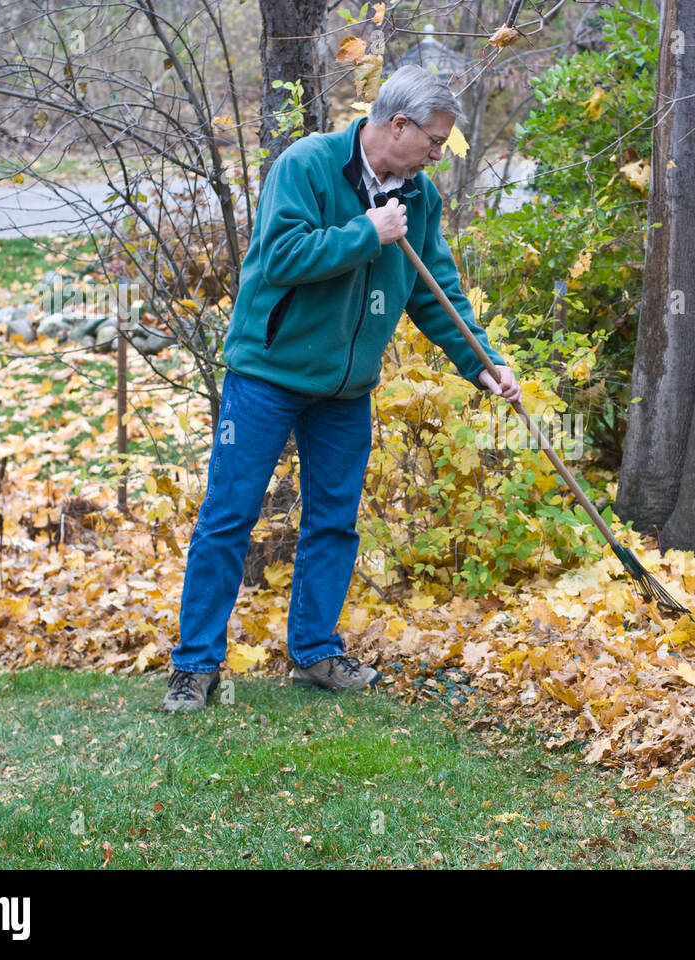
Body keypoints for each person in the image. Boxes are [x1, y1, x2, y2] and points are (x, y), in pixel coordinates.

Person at [162, 66, 520, 713]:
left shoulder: (420, 199)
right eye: (434, 141)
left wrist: (484, 364)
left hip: (346, 390)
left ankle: (314, 654)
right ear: (399, 125)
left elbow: (437, 294)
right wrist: (367, 233)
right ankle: (194, 667)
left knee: (333, 523)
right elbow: (281, 258)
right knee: (229, 516)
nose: (439, 154)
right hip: (268, 374)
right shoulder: (308, 166)